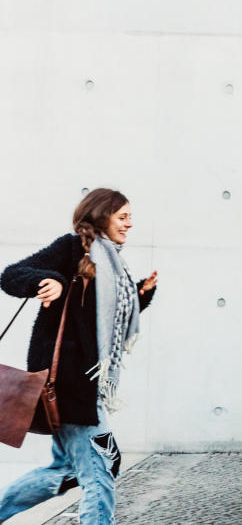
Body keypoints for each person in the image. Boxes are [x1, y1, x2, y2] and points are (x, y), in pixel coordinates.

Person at [0, 188, 158, 525]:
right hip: (69, 387)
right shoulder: (70, 249)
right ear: (102, 215)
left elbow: (99, 321)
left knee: (66, 471)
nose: (130, 224)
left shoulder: (113, 260)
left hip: (86, 386)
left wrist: (140, 295)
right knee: (99, 472)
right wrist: (48, 279)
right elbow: (11, 275)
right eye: (123, 216)